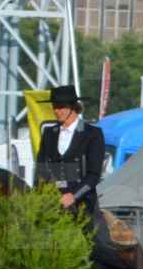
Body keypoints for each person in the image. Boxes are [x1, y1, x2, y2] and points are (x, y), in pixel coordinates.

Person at [35, 85, 106, 217]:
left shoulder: (93, 134)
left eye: (61, 107)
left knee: (99, 236)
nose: (57, 111)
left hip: (83, 204)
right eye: (55, 107)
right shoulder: (49, 133)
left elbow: (93, 175)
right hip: (51, 204)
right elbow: (41, 170)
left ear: (73, 107)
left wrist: (73, 196)